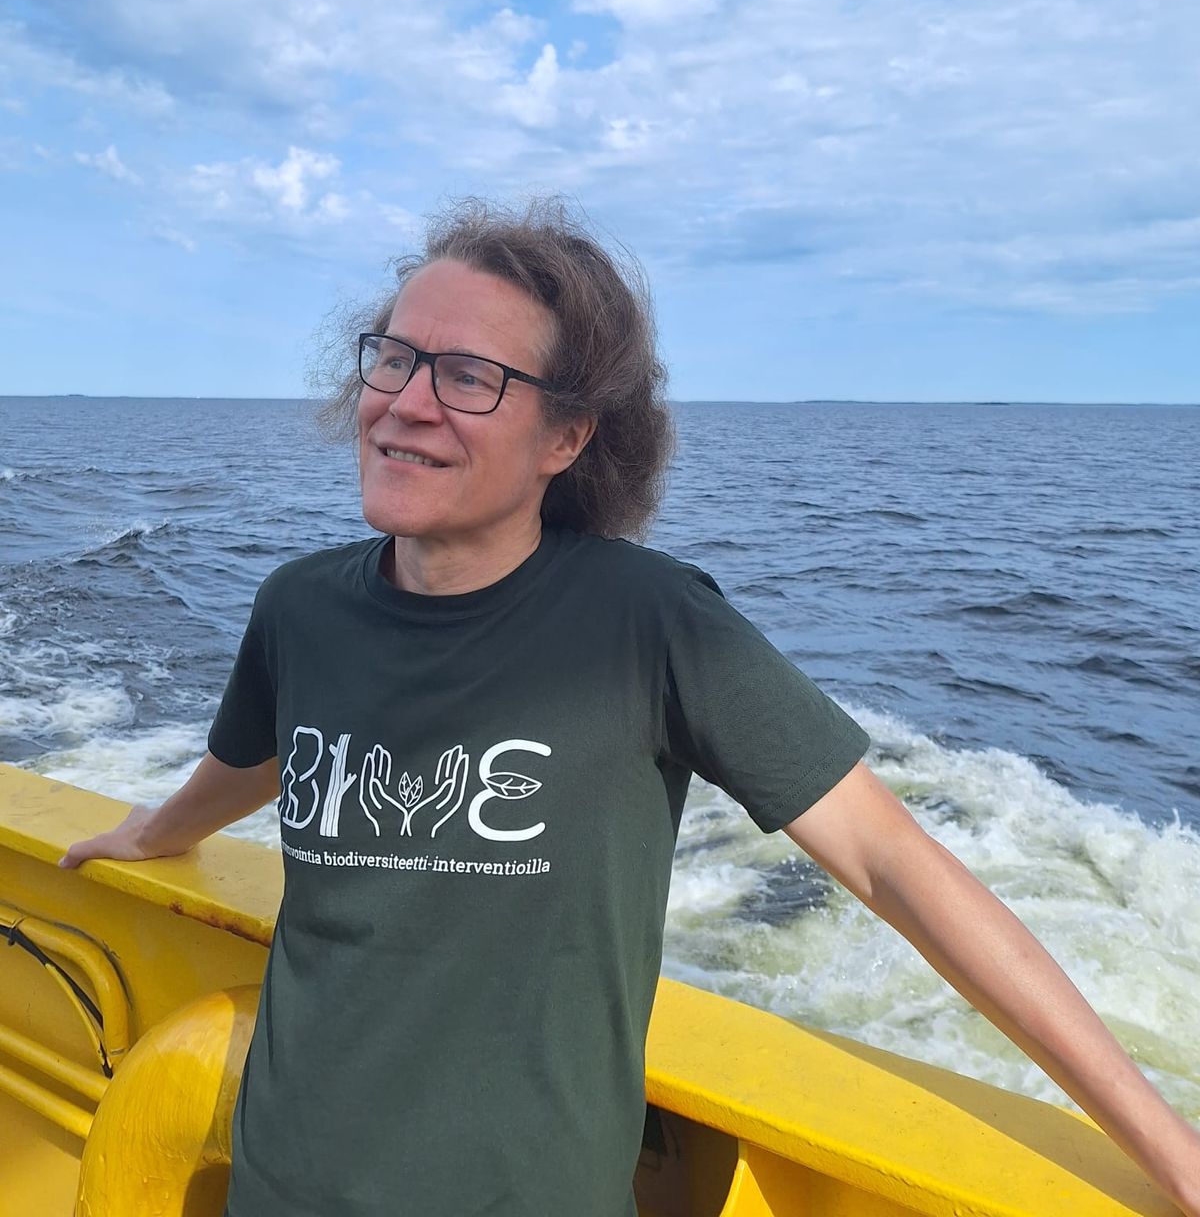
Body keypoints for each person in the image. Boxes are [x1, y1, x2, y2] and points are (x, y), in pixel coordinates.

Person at [60, 197, 1200, 1217]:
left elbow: (892, 862)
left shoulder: (650, 625)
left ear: (568, 436)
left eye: (468, 376)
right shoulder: (299, 607)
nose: (405, 404)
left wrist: (1167, 1147)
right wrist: (155, 833)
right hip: (282, 1181)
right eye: (393, 358)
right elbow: (262, 752)